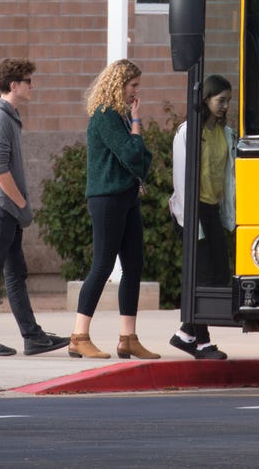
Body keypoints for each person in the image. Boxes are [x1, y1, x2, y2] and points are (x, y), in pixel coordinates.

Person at [0, 59, 71, 356]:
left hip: (5, 208)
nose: (31, 85)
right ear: (14, 85)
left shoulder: (8, 114)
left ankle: (33, 336)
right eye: (28, 80)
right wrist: (22, 203)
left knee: (16, 273)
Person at [67, 59, 158, 360]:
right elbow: (134, 155)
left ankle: (127, 338)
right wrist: (136, 124)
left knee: (134, 266)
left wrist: (134, 129)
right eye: (133, 86)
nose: (136, 93)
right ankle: (79, 336)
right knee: (102, 266)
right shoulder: (105, 116)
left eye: (137, 87)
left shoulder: (118, 116)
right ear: (118, 85)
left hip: (126, 196)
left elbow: (143, 159)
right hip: (107, 199)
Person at [169, 74, 236, 360]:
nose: (224, 106)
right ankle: (202, 342)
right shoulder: (189, 132)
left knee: (218, 272)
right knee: (202, 275)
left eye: (227, 101)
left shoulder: (226, 133)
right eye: (220, 101)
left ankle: (185, 333)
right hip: (191, 210)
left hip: (212, 210)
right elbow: (183, 180)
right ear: (205, 99)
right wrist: (191, 224)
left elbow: (228, 178)